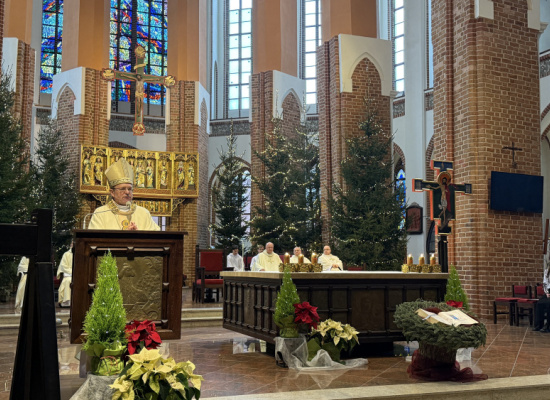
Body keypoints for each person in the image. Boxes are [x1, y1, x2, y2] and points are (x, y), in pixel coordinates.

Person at [88, 158, 160, 230]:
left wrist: (138, 235)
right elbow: (94, 239)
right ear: (112, 192)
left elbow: (157, 238)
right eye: (122, 189)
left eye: (129, 189)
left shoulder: (144, 213)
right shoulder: (100, 213)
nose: (127, 192)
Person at [57, 243, 73, 308]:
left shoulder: (81, 253)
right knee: (68, 280)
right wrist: (73, 272)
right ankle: (67, 302)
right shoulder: (66, 254)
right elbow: (63, 266)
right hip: (69, 275)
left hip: (79, 274)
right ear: (70, 245)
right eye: (72, 244)